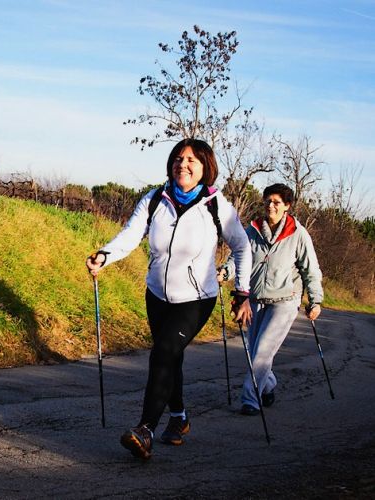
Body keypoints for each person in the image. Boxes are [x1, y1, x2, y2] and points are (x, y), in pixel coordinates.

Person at [86, 138, 252, 460]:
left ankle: (145, 428)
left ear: (205, 167)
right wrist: (105, 255)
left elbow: (243, 247)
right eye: (178, 158)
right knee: (170, 357)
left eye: (191, 159)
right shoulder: (154, 200)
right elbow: (131, 235)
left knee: (163, 351)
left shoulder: (217, 206)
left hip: (196, 298)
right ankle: (179, 418)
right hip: (157, 295)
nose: (183, 164)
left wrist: (241, 290)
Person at [219, 183, 323, 416]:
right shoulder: (253, 230)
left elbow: (311, 270)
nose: (271, 206)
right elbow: (239, 257)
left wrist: (315, 301)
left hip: (285, 300)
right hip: (255, 300)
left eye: (276, 202)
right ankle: (268, 385)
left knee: (263, 351)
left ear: (287, 206)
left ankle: (250, 400)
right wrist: (225, 272)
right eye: (267, 201)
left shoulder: (298, 233)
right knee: (255, 352)